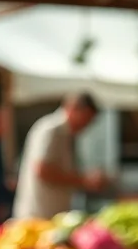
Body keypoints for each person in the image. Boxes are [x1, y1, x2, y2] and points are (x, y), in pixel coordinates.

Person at [12, 92, 107, 220]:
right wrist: (83, 180)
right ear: (73, 109)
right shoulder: (52, 130)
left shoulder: (64, 133)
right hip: (38, 216)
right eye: (85, 119)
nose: (85, 126)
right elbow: (42, 170)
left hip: (51, 214)